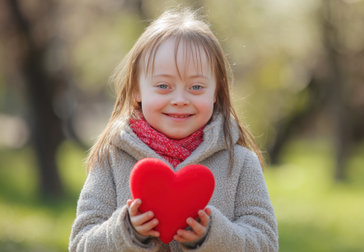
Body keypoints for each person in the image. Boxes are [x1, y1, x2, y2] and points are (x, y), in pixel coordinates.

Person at [69, 8, 278, 252]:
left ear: (216, 92)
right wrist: (127, 231)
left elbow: (265, 244)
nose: (180, 99)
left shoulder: (240, 163)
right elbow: (80, 244)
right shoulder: (111, 158)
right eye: (163, 85)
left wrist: (211, 236)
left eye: (196, 86)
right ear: (137, 89)